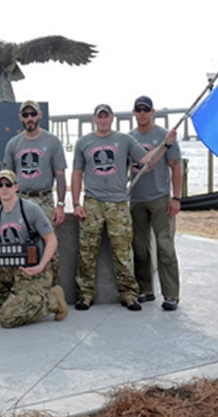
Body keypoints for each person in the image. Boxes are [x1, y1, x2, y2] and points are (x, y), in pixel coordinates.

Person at [71, 104, 176, 311]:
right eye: (99, 117)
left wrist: (165, 145)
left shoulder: (124, 140)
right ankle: (85, 294)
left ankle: (129, 293)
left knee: (122, 252)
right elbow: (76, 173)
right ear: (94, 119)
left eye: (106, 116)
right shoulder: (83, 143)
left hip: (118, 203)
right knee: (87, 252)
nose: (103, 120)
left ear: (112, 118)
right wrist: (75, 203)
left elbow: (147, 160)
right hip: (92, 202)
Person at [0, 170, 68, 328]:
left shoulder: (30, 209)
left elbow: (51, 240)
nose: (4, 188)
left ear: (16, 187)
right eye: (0, 185)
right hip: (11, 268)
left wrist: (41, 266)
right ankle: (16, 303)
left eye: (8, 184)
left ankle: (52, 300)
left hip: (33, 270)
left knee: (6, 320)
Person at [3, 99, 68, 286]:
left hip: (44, 199)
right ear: (20, 118)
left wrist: (61, 205)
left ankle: (54, 290)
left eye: (33, 114)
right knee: (19, 246)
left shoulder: (52, 142)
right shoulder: (13, 144)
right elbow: (7, 178)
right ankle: (23, 289)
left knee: (50, 247)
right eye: (25, 115)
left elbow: (60, 175)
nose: (29, 118)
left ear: (40, 115)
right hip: (20, 200)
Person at [128, 96, 183, 311]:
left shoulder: (165, 136)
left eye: (146, 109)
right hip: (137, 199)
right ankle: (145, 289)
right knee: (140, 248)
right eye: (139, 109)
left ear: (153, 112)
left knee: (165, 246)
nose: (142, 113)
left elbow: (176, 166)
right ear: (133, 112)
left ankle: (171, 294)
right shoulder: (128, 138)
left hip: (160, 199)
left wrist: (176, 197)